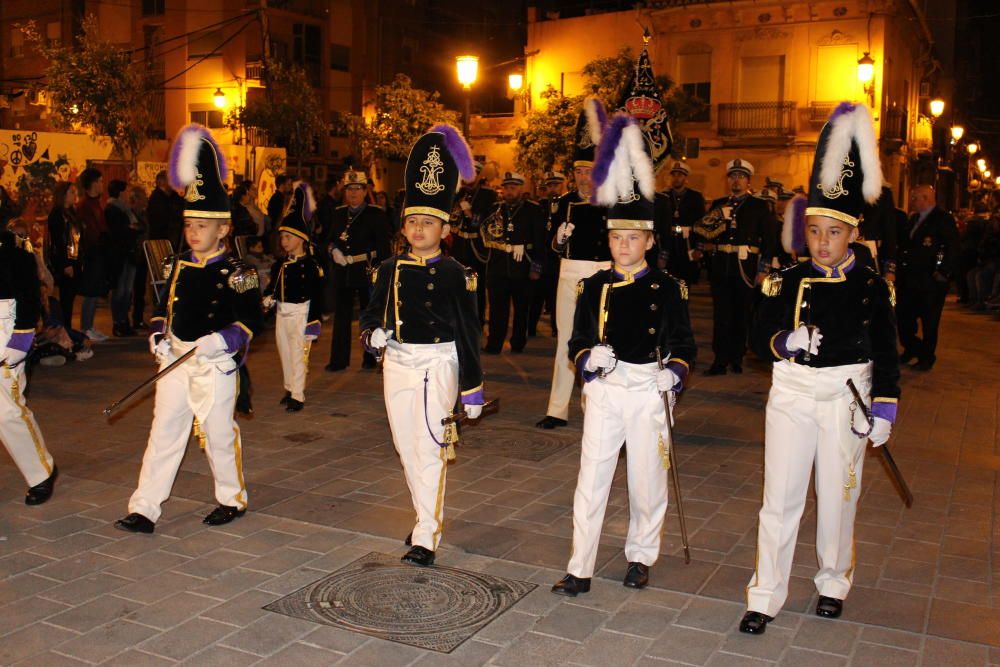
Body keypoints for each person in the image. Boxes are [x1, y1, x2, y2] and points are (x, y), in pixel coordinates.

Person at [740, 103, 900, 635]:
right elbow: (757, 335)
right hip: (791, 393)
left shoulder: (871, 286)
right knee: (779, 498)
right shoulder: (785, 280)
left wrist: (882, 409)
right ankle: (765, 594)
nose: (823, 242)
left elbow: (888, 351)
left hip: (845, 397)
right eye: (814, 232)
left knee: (837, 496)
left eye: (833, 232)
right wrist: (785, 339)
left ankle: (832, 581)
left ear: (851, 233)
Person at [551, 112, 696, 597]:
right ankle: (580, 565)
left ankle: (640, 555)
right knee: (591, 477)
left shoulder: (668, 287)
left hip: (647, 388)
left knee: (646, 480)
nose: (624, 245)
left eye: (634, 237)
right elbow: (575, 340)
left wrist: (673, 374)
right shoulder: (594, 285)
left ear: (650, 241)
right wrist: (587, 359)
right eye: (617, 237)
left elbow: (684, 344)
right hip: (607, 390)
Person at [114, 124, 263, 535]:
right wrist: (158, 333)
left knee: (217, 433)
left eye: (202, 225)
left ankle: (230, 498)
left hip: (213, 365)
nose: (193, 232)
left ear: (223, 229)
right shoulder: (176, 264)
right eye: (189, 225)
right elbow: (164, 306)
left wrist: (222, 340)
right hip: (175, 359)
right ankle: (145, 507)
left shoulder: (240, 272)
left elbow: (253, 320)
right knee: (164, 431)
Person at [360, 124, 485, 567]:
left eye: (427, 222)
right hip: (398, 362)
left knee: (431, 444)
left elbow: (469, 332)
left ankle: (427, 534)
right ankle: (422, 516)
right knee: (405, 444)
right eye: (412, 221)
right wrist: (372, 335)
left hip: (439, 361)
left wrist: (472, 389)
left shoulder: (456, 273)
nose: (418, 228)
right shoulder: (389, 267)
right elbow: (372, 313)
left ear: (444, 228)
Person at [536, 100, 612, 429]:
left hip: (602, 275)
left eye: (588, 170)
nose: (583, 176)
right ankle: (557, 409)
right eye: (578, 171)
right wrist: (560, 239)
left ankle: (595, 405)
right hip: (569, 275)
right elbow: (551, 246)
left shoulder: (611, 201)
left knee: (600, 340)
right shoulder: (563, 203)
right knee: (566, 340)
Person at [696, 158, 775, 375]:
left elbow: (769, 240)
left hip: (746, 267)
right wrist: (718, 215)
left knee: (741, 313)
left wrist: (763, 269)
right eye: (732, 176)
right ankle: (720, 359)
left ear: (748, 181)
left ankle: (737, 356)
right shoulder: (719, 204)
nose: (736, 181)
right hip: (722, 265)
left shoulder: (758, 206)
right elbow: (701, 230)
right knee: (721, 314)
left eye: (740, 177)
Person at [1, 227, 59, 504]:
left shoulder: (12, 244)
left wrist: (21, 338)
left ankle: (41, 472)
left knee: (7, 410)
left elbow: (28, 293)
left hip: (4, 324)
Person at [264, 182, 323, 412]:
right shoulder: (280, 264)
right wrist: (268, 297)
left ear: (301, 238)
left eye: (288, 236)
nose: (284, 241)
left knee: (298, 355)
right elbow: (274, 286)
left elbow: (316, 295)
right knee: (285, 352)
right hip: (282, 312)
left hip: (301, 313)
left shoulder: (310, 265)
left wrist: (313, 321)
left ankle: (297, 395)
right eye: (282, 237)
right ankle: (289, 387)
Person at [324, 170, 392, 371]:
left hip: (366, 270)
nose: (353, 193)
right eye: (349, 189)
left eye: (357, 189)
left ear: (365, 191)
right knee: (341, 317)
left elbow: (383, 248)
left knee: (368, 315)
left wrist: (376, 269)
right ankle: (338, 360)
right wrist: (332, 249)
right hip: (342, 272)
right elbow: (327, 239)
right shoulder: (338, 213)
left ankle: (370, 356)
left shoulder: (376, 214)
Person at [895, 184, 959, 371]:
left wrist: (943, 272)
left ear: (925, 198)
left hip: (930, 281)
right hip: (909, 279)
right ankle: (913, 348)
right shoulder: (914, 219)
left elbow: (953, 247)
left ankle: (927, 357)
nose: (912, 201)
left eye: (914, 197)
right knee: (904, 318)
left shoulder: (942, 219)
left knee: (930, 321)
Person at [481, 172, 544, 354]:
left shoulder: (533, 210)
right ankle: (494, 344)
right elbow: (486, 233)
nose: (509, 191)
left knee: (521, 309)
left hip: (523, 267)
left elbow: (540, 241)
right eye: (506, 188)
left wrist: (536, 267)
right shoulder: (495, 209)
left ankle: (518, 342)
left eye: (513, 188)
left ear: (520, 189)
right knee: (496, 310)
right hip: (498, 267)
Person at [450, 160, 497, 325]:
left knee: (477, 285)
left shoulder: (488, 194)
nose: (467, 180)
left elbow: (490, 220)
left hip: (477, 247)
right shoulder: (458, 193)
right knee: (459, 284)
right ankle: (461, 317)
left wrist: (471, 214)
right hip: (459, 246)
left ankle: (478, 319)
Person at [529, 170, 566, 337]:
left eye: (556, 185)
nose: (553, 189)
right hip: (542, 258)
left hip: (559, 260)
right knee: (535, 297)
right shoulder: (540, 208)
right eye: (550, 185)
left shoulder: (567, 205)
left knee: (557, 298)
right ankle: (530, 328)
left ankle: (556, 328)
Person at [657, 160, 706, 285]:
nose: (676, 178)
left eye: (680, 175)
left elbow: (701, 223)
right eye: (674, 175)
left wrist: (699, 248)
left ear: (685, 177)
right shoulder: (664, 196)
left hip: (688, 242)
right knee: (666, 279)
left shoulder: (695, 197)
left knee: (685, 280)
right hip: (668, 241)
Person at [76, 167, 110, 342]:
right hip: (91, 254)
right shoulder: (84, 206)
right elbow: (89, 232)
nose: (102, 184)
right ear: (93, 183)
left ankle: (89, 326)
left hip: (98, 252)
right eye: (100, 181)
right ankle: (85, 327)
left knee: (94, 292)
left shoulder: (96, 203)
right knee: (90, 292)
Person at [105, 179, 140, 337]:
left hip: (130, 253)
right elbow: (120, 231)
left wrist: (132, 229)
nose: (129, 194)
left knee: (127, 290)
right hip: (119, 255)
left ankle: (124, 321)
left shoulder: (127, 210)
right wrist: (131, 230)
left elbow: (139, 226)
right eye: (126, 191)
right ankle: (117, 322)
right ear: (120, 192)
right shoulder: (112, 209)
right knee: (120, 290)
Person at [47, 181, 82, 331]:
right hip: (65, 261)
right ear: (63, 195)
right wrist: (65, 264)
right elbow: (58, 242)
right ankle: (64, 328)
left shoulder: (72, 213)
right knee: (66, 298)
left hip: (74, 258)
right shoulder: (57, 214)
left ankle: (67, 328)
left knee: (71, 297)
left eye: (75, 192)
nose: (75, 195)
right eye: (72, 192)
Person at [129, 185, 150, 330]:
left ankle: (138, 318)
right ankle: (132, 319)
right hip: (135, 255)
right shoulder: (131, 214)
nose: (145, 200)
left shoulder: (143, 214)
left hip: (142, 254)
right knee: (132, 288)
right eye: (143, 197)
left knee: (140, 289)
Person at [147, 169, 184, 249]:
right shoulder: (157, 199)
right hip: (161, 242)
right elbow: (165, 220)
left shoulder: (172, 196)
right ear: (162, 182)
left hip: (172, 241)